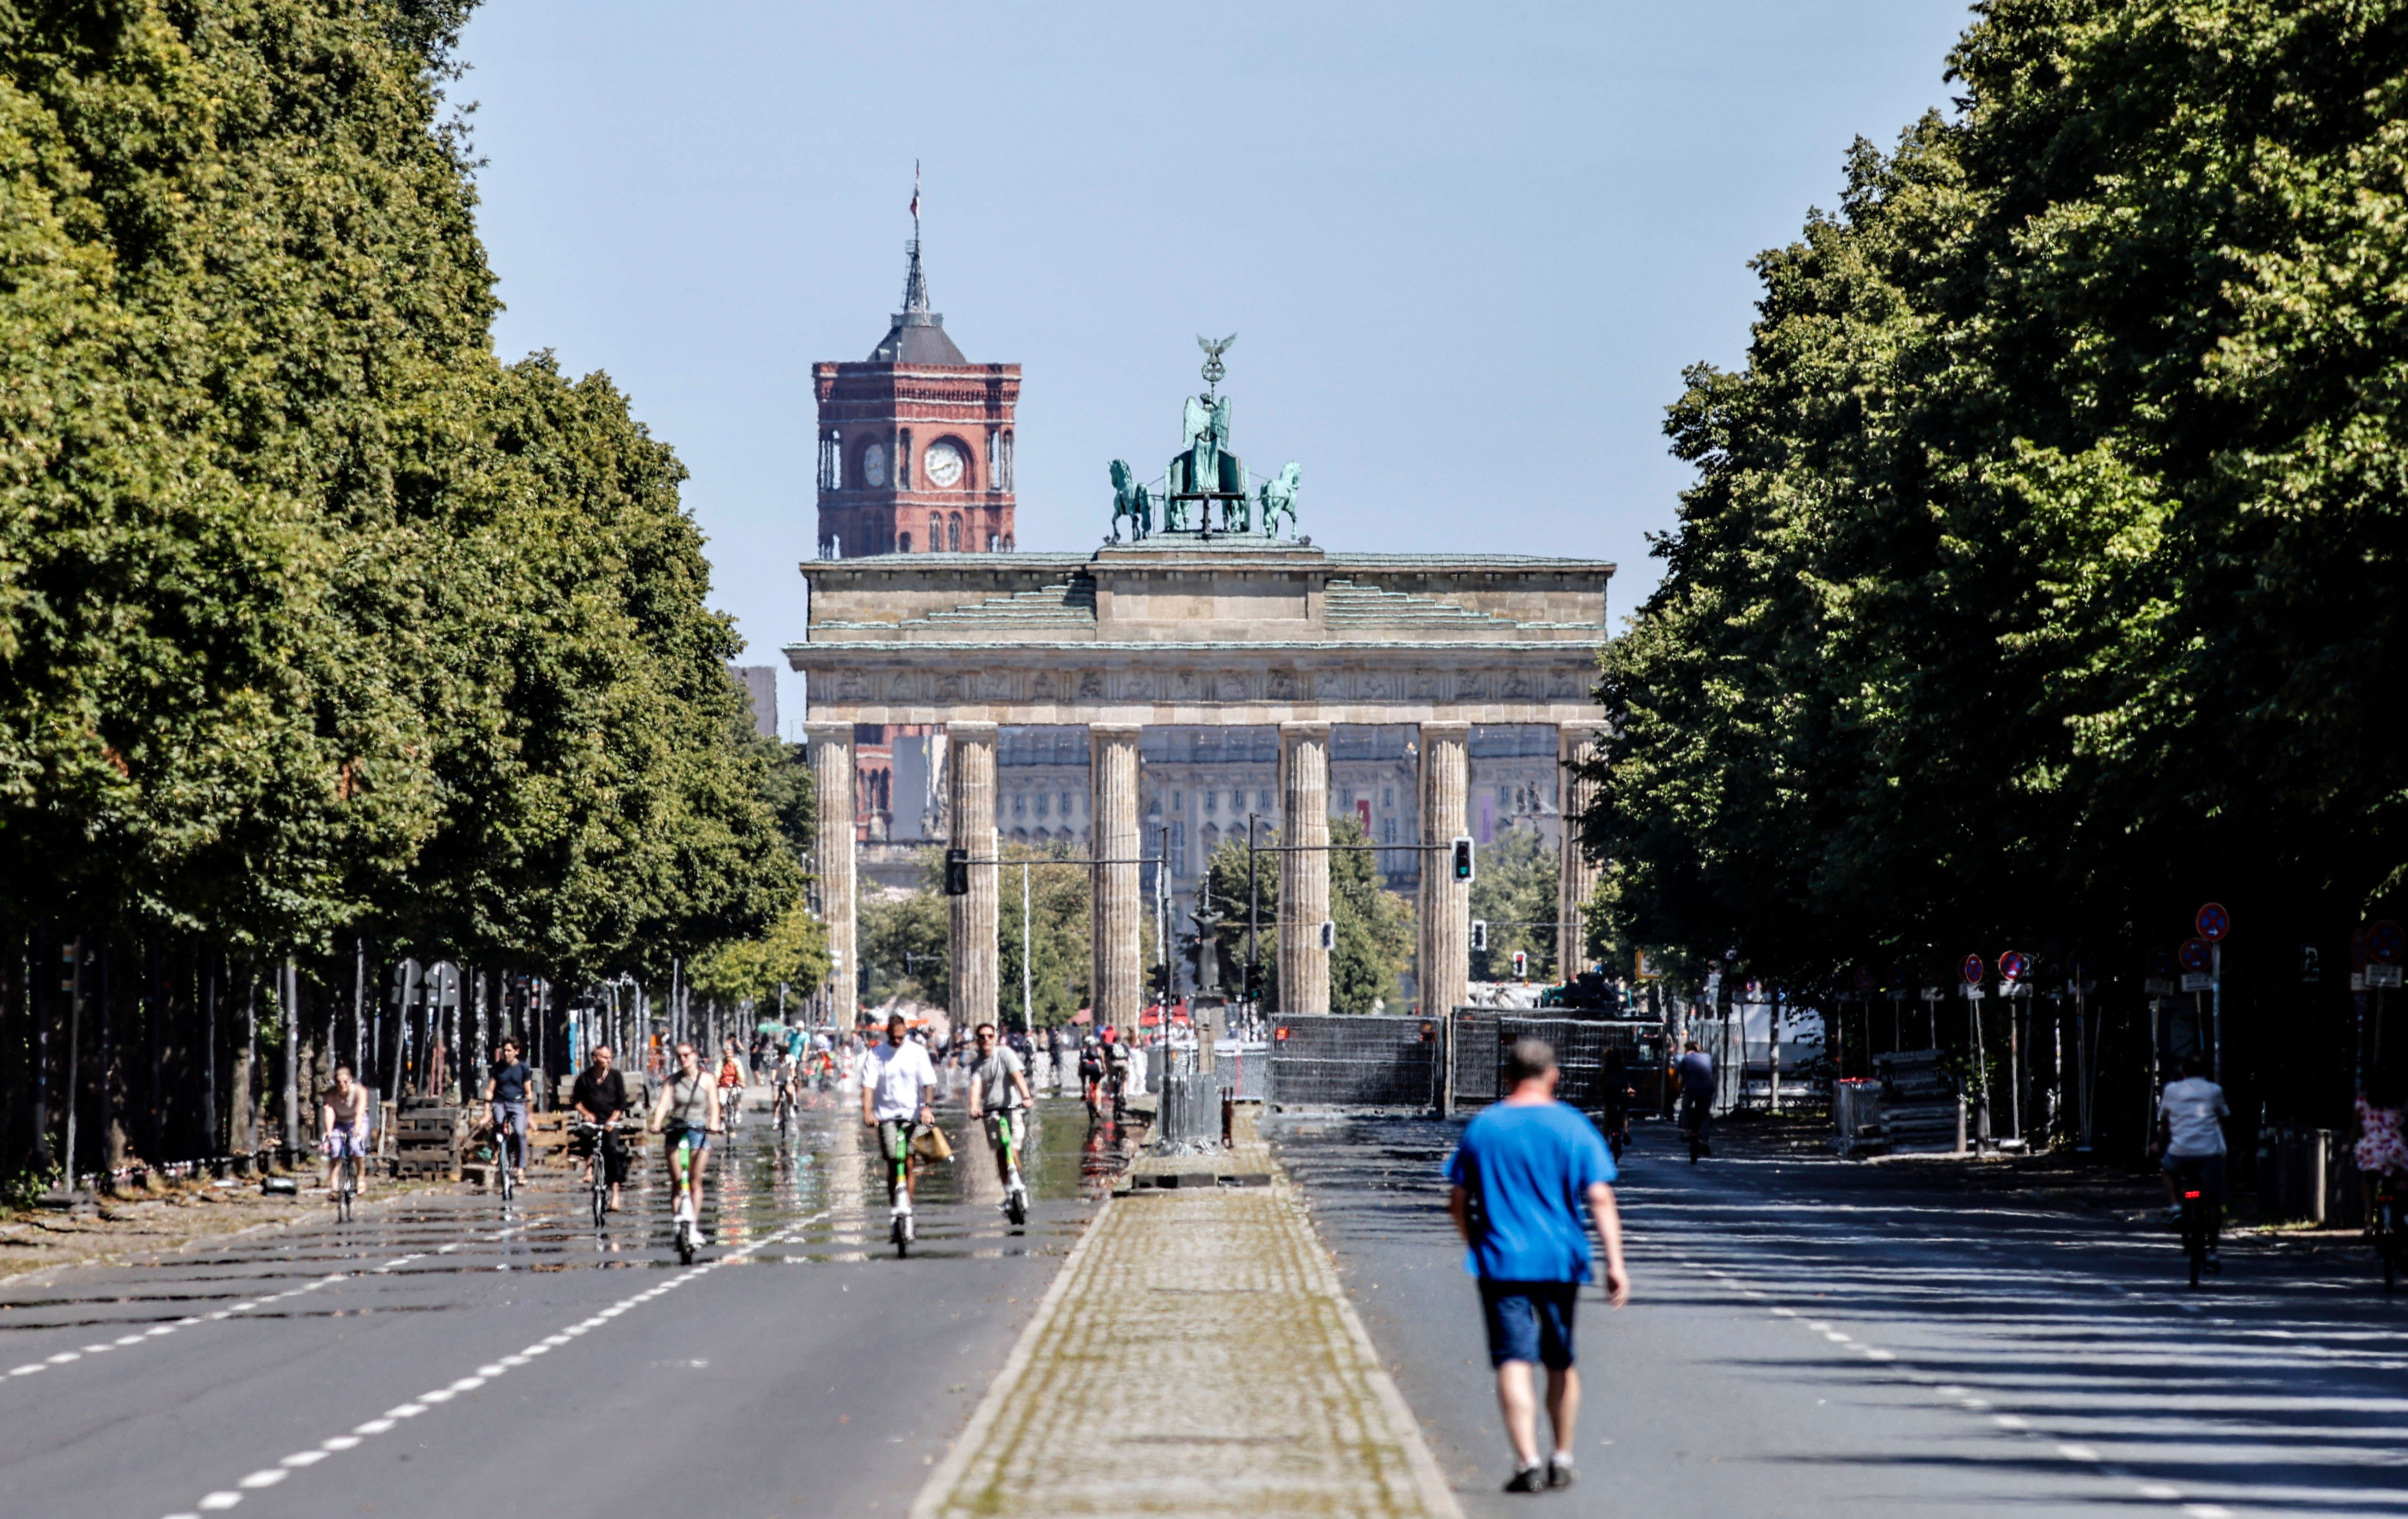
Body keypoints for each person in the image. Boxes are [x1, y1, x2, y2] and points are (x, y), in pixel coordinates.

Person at [1445, 1038, 1630, 1494]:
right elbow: (1601, 1196)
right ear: (1554, 1076)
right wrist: (1615, 1263)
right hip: (1560, 1259)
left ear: (1506, 1078)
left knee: (1513, 1360)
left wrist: (1476, 1241)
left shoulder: (1485, 1126)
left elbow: (1457, 1200)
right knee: (1559, 1359)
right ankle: (1561, 1455)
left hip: (1501, 1260)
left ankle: (1526, 1461)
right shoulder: (1573, 1125)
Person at [861, 1012, 941, 1222]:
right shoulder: (876, 1054)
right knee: (894, 1161)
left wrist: (927, 1107)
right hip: (886, 1116)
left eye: (902, 1037)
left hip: (912, 1115)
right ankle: (895, 1208)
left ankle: (908, 1209)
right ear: (888, 1033)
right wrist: (868, 1112)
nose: (898, 1041)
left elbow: (928, 1083)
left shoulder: (917, 1052)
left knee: (910, 1162)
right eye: (895, 1037)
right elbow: (868, 1087)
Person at [2156, 1052, 2230, 1268]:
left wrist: (2161, 1147)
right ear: (2205, 1072)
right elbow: (2225, 1118)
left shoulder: (2171, 1090)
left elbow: (2164, 1122)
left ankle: (2176, 1208)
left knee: (2167, 1169)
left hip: (2180, 1153)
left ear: (2183, 1072)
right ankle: (2214, 1252)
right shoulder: (2215, 1091)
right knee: (2213, 1203)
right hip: (2210, 1154)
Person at [647, 1041, 721, 1242]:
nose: (683, 1059)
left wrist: (714, 1123)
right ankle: (678, 1226)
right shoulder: (672, 1081)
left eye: (687, 1055)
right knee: (678, 1182)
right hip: (676, 1129)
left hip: (698, 1129)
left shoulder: (707, 1079)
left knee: (695, 1182)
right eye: (679, 1056)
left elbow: (714, 1106)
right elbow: (664, 1104)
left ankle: (694, 1227)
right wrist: (657, 1123)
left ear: (695, 1055)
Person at [967, 1022, 1034, 1201]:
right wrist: (974, 1107)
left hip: (1012, 1109)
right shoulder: (976, 1065)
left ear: (995, 1038)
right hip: (991, 1111)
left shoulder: (1005, 1054)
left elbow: (1017, 1077)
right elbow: (976, 1087)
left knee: (1012, 1148)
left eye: (990, 1036)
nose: (986, 1040)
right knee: (1000, 1152)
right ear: (977, 1041)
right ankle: (1008, 1192)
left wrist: (1026, 1097)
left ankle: (1018, 1183)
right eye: (982, 1037)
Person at [571, 1044, 632, 1212]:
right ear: (595, 1059)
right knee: (583, 1133)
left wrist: (613, 1120)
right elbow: (576, 1101)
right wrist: (585, 1113)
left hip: (610, 1121)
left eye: (610, 1057)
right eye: (604, 1057)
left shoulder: (616, 1076)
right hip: (592, 1121)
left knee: (612, 1150)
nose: (608, 1060)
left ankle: (616, 1195)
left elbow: (621, 1103)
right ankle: (589, 1164)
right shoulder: (585, 1078)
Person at [484, 1039, 532, 1181]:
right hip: (500, 1102)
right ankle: (497, 1149)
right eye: (504, 1050)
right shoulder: (497, 1067)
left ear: (517, 1052)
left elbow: (528, 1092)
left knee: (520, 1132)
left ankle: (520, 1169)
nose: (506, 1053)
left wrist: (529, 1115)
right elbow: (489, 1090)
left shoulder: (523, 1068)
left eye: (509, 1050)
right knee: (498, 1122)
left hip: (517, 1103)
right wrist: (487, 1111)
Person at [320, 1065, 372, 1194]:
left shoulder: (360, 1091)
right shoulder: (331, 1094)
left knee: (355, 1146)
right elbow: (329, 1112)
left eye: (345, 1082)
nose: (342, 1085)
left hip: (356, 1121)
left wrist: (357, 1129)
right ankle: (334, 1183)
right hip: (339, 1123)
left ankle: (360, 1176)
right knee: (335, 1148)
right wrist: (329, 1131)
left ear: (351, 1081)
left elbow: (360, 1112)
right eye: (338, 1082)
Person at [1675, 1039, 1716, 1154]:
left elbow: (1682, 1076)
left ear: (1688, 1050)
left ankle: (1687, 1131)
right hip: (1707, 1089)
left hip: (1692, 1090)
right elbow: (1713, 1072)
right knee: (1704, 1115)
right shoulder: (1707, 1057)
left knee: (1685, 1107)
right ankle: (1705, 1142)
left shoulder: (1686, 1059)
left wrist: (1680, 1090)